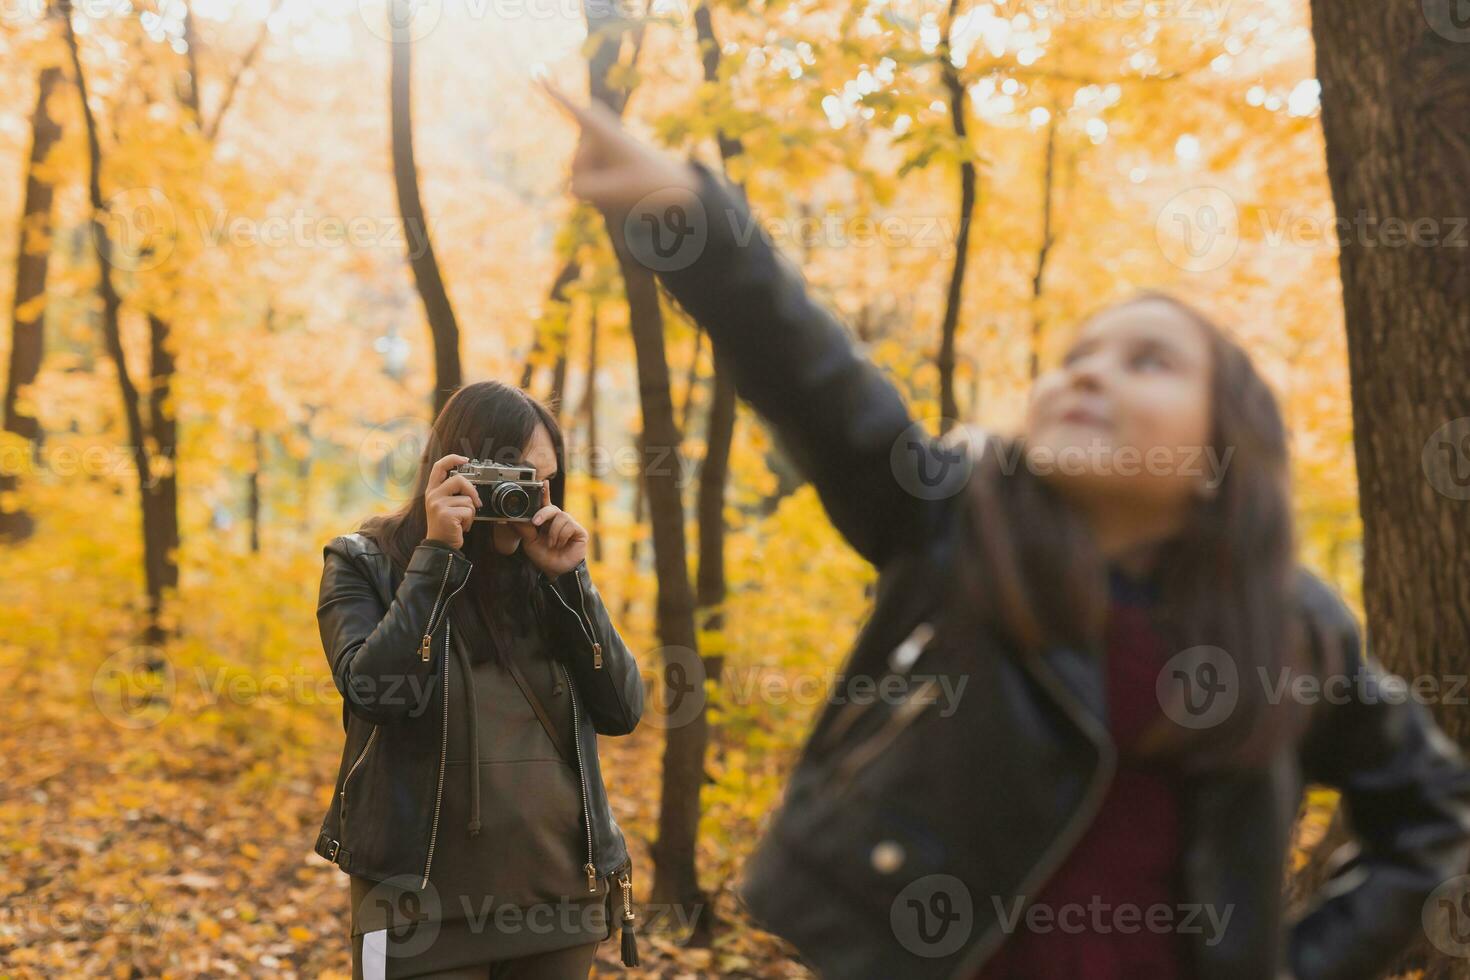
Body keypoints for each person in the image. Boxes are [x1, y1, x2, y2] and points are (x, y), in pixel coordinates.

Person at [540, 82, 1470, 979]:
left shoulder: (1296, 629)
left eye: (1146, 361)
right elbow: (821, 386)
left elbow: (1432, 816)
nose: (1087, 375)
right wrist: (698, 226)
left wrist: (1301, 964)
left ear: (1225, 451)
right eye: (1074, 358)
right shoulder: (958, 521)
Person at [313, 380, 644, 979]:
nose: (525, 496)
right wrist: (438, 557)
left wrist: (573, 584)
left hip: (558, 902)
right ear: (455, 468)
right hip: (416, 909)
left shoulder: (548, 578)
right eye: (510, 476)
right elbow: (378, 693)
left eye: (541, 480)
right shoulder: (366, 562)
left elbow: (622, 709)